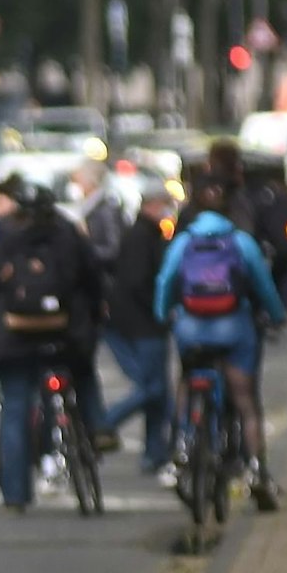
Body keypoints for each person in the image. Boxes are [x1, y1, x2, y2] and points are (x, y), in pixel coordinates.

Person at [156, 180, 286, 509]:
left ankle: (184, 444)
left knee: (187, 379)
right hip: (234, 328)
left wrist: (164, 314)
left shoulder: (183, 242)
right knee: (245, 399)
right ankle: (257, 471)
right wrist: (276, 315)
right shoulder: (241, 243)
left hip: (191, 328)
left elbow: (166, 281)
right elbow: (263, 285)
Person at [0, 182, 110, 512]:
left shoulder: (3, 231)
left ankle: (15, 494)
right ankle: (92, 429)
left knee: (15, 411)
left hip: (14, 334)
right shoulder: (67, 231)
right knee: (79, 375)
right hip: (62, 331)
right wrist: (96, 313)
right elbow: (91, 275)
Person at [101, 184, 174, 473]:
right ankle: (106, 422)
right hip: (143, 324)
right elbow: (138, 282)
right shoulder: (143, 238)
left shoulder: (141, 235)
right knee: (153, 387)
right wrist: (161, 310)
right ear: (152, 206)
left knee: (159, 391)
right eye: (165, 206)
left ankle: (155, 451)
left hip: (135, 322)